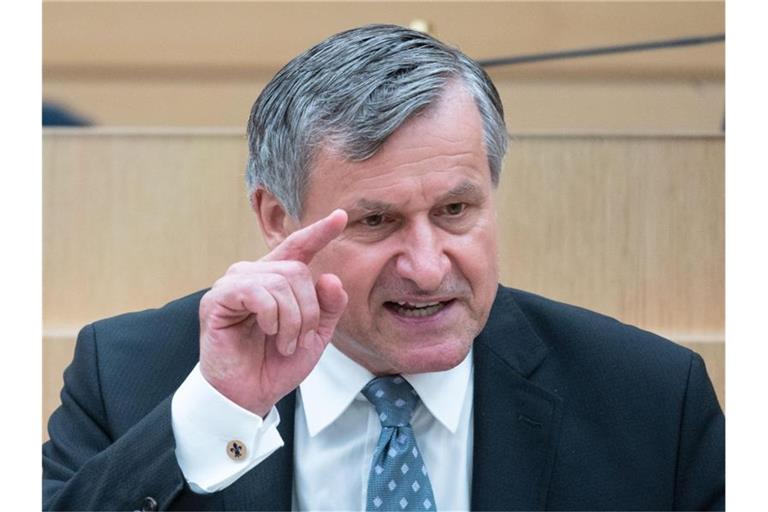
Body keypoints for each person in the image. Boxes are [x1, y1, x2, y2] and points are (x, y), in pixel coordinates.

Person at [42, 24, 724, 511]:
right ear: (279, 219)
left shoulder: (653, 402)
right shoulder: (130, 377)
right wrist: (220, 411)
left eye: (456, 209)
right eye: (375, 221)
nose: (428, 269)